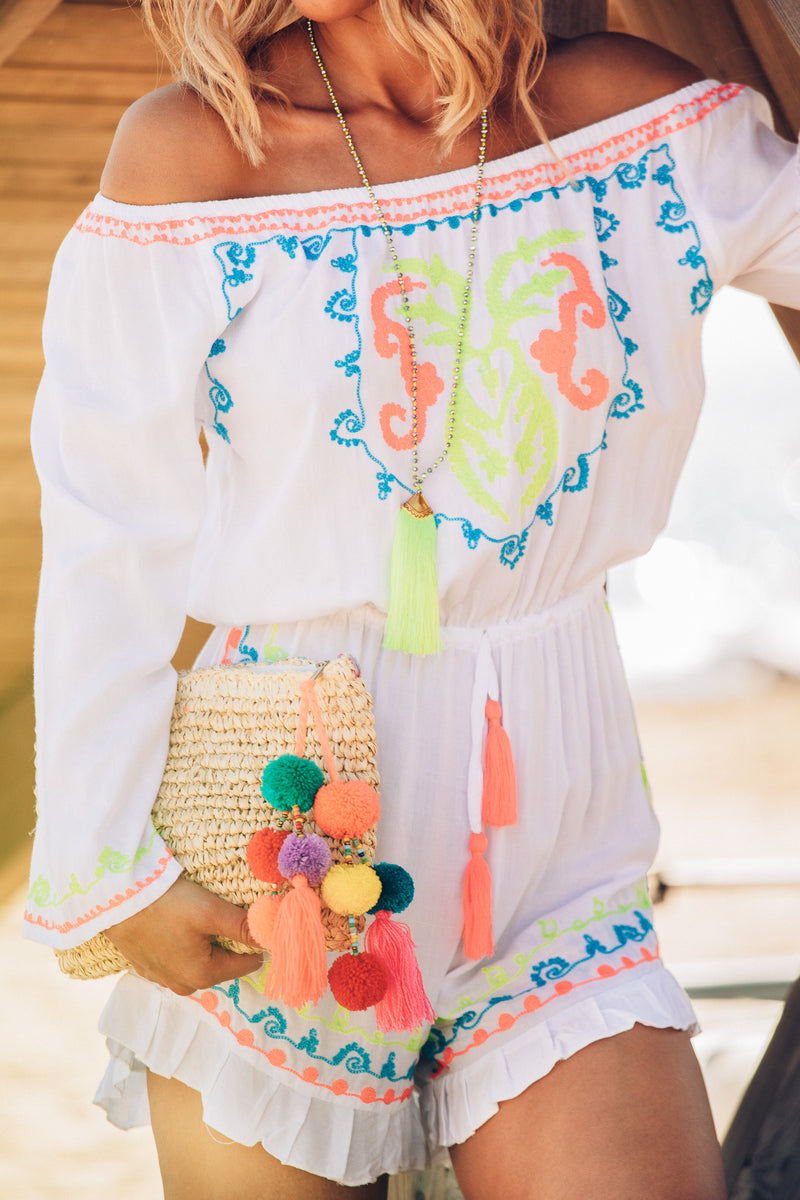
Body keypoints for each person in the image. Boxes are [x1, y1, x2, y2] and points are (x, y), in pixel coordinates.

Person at [23, 0, 800, 1195]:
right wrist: (104, 863)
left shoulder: (640, 120)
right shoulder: (193, 154)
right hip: (275, 844)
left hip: (562, 860)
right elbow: (106, 527)